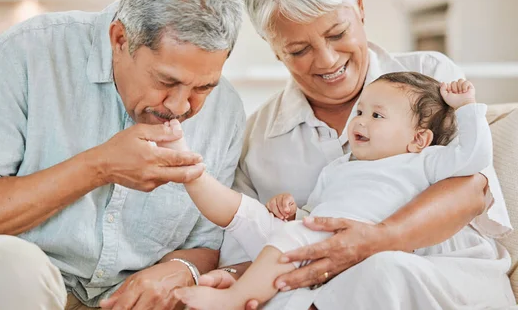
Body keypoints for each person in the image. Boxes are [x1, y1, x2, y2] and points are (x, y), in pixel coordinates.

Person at [206, 0, 515, 310]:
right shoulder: (258, 140)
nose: (328, 60)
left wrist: (376, 240)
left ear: (360, 4)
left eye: (337, 33)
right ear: (273, 48)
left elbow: (472, 191)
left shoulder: (429, 78)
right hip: (320, 293)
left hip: (442, 276)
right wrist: (237, 278)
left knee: (381, 272)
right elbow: (252, 244)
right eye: (299, 49)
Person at [0, 0, 247, 310]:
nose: (181, 106)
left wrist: (182, 270)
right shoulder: (26, 55)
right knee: (15, 268)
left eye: (204, 87)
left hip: (114, 301)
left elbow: (210, 245)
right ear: (120, 39)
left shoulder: (226, 113)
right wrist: (100, 166)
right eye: (166, 82)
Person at [170, 73, 493, 309]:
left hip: (363, 245)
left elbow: (473, 158)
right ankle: (189, 170)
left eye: (377, 115)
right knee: (248, 214)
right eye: (361, 111)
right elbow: (316, 211)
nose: (361, 121)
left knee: (291, 238)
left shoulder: (424, 161)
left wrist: (466, 107)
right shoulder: (339, 167)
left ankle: (235, 299)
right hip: (316, 238)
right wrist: (292, 211)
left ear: (419, 139)